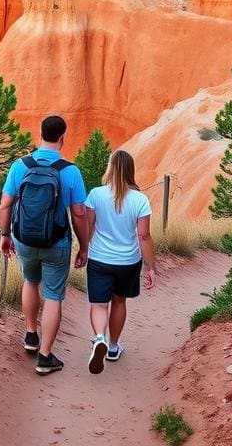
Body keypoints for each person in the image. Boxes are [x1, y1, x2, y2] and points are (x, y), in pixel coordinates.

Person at [0, 115, 89, 375]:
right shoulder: (70, 171)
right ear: (63, 137)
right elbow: (79, 213)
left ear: (40, 133)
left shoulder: (20, 166)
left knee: (30, 281)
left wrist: (6, 235)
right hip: (57, 242)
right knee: (53, 296)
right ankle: (45, 357)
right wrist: (84, 246)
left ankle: (30, 335)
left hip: (24, 239)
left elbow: (5, 205)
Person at [83, 149, 157, 375]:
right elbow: (144, 236)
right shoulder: (140, 200)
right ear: (130, 171)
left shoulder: (95, 195)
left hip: (99, 258)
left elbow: (89, 227)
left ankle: (98, 338)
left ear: (110, 168)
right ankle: (113, 347)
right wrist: (150, 267)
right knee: (119, 302)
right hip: (127, 260)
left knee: (98, 304)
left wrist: (83, 250)